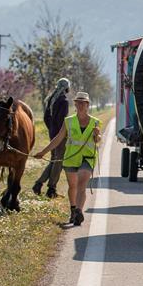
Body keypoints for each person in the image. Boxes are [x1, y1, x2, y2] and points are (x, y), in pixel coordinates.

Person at [35, 91, 102, 226]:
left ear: (88, 105)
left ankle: (79, 211)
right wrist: (43, 152)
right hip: (71, 158)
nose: (81, 105)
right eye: (78, 103)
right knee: (72, 186)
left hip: (87, 158)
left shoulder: (95, 122)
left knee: (81, 184)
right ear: (75, 104)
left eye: (83, 103)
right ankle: (73, 211)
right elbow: (58, 139)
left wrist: (97, 135)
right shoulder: (68, 121)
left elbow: (97, 139)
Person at [32, 77, 70, 198]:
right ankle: (51, 189)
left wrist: (51, 129)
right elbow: (62, 120)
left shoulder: (51, 99)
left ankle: (39, 184)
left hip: (52, 133)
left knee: (54, 160)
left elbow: (46, 118)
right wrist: (62, 134)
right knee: (59, 161)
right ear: (67, 88)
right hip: (60, 135)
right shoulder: (64, 101)